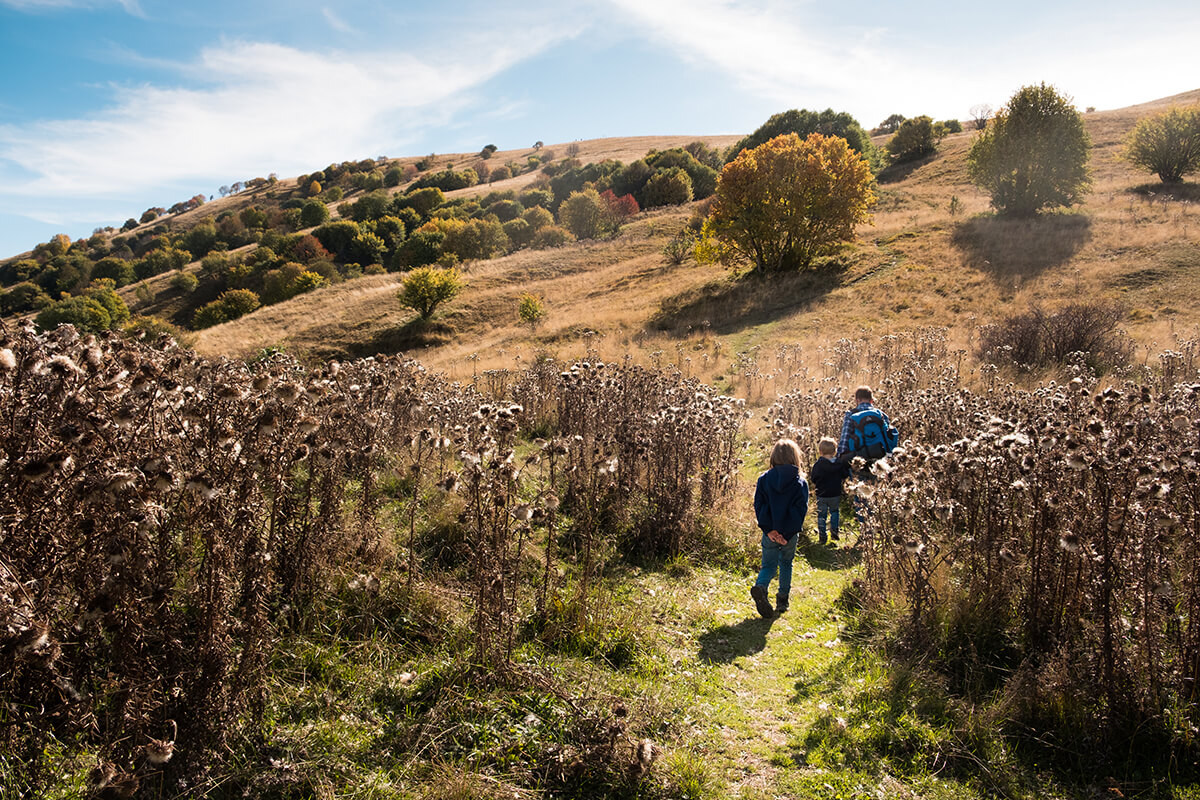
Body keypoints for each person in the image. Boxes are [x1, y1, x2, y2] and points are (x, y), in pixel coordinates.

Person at [752, 438, 809, 618]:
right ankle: (782, 600)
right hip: (789, 534)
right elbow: (800, 510)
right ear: (795, 457)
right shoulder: (800, 482)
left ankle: (761, 587)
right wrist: (787, 533)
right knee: (786, 563)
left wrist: (769, 530)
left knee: (768, 564)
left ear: (773, 457)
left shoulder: (764, 479)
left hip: (769, 533)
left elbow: (759, 505)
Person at [836, 385, 897, 526]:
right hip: (880, 461)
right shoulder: (881, 415)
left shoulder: (851, 414)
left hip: (858, 460)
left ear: (857, 400)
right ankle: (876, 525)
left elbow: (845, 439)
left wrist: (841, 458)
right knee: (876, 494)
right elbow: (888, 439)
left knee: (860, 495)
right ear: (872, 400)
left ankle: (865, 529)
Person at [810, 437, 851, 545]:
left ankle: (822, 537)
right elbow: (844, 475)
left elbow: (813, 478)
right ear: (835, 451)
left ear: (820, 451)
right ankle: (834, 532)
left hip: (822, 494)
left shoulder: (818, 465)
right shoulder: (839, 464)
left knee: (821, 515)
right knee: (835, 512)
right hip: (835, 493)